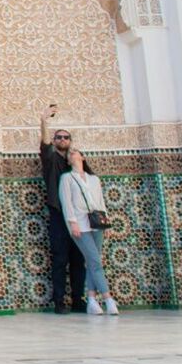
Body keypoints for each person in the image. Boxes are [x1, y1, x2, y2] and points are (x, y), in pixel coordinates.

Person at [39, 106, 87, 313]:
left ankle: (78, 299)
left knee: (79, 259)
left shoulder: (76, 164)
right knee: (60, 259)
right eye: (58, 137)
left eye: (66, 137)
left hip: (80, 217)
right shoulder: (52, 161)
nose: (61, 140)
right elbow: (45, 144)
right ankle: (59, 301)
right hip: (59, 216)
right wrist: (44, 121)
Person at [60, 148, 118, 316]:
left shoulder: (94, 180)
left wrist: (106, 222)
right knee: (95, 261)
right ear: (68, 161)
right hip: (80, 225)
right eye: (70, 154)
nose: (72, 153)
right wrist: (73, 223)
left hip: (96, 224)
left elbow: (100, 202)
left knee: (92, 262)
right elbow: (66, 202)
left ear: (82, 157)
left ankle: (92, 300)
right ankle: (108, 299)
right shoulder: (67, 178)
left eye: (75, 152)